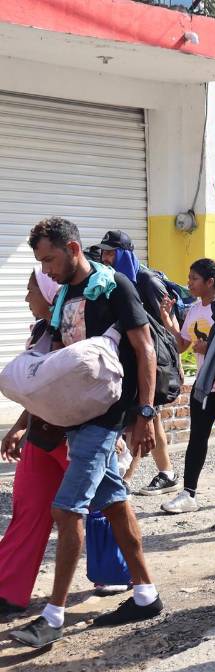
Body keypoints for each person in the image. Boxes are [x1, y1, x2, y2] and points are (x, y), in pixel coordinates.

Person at [9, 217, 164, 648]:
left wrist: (145, 413)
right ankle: (147, 593)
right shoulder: (63, 298)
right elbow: (55, 365)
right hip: (73, 415)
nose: (48, 269)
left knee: (67, 509)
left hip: (106, 416)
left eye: (51, 259)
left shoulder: (113, 285)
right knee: (114, 503)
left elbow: (144, 348)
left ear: (73, 248)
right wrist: (27, 420)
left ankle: (53, 617)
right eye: (42, 261)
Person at [0, 272, 67, 613]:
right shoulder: (41, 330)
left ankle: (117, 576)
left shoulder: (73, 327)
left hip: (73, 434)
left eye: (30, 290)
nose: (27, 297)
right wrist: (17, 427)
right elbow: (36, 388)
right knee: (28, 509)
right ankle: (8, 591)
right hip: (42, 434)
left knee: (102, 509)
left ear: (49, 293)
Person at [95, 229, 180, 497]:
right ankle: (166, 472)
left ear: (125, 254)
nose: (106, 258)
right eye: (104, 252)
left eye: (112, 252)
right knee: (150, 418)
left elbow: (166, 325)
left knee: (143, 416)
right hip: (130, 358)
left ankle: (127, 476)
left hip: (150, 359)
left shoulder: (146, 281)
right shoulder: (111, 281)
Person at [159, 259, 215, 513]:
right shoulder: (193, 310)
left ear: (210, 282)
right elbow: (182, 345)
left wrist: (212, 347)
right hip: (204, 383)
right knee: (197, 437)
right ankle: (189, 493)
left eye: (194, 279)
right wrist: (168, 320)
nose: (188, 283)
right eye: (189, 278)